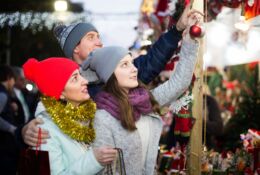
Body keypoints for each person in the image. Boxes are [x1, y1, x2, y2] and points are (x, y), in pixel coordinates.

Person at [21, 4, 202, 147]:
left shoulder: (115, 75)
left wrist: (177, 30)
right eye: (91, 37)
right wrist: (25, 130)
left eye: (98, 36)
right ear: (75, 48)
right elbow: (45, 117)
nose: (99, 42)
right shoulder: (64, 86)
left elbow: (150, 63)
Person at [86, 22, 199, 173]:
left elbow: (180, 83)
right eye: (124, 65)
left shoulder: (145, 100)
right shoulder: (102, 117)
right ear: (110, 75)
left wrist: (190, 42)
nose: (134, 69)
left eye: (132, 63)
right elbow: (104, 171)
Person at [22, 57, 117, 174]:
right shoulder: (44, 130)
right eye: (75, 79)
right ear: (60, 93)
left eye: (80, 75)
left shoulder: (89, 115)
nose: (85, 81)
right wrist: (93, 161)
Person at [0, 65, 23, 175]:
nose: (13, 83)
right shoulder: (3, 94)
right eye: (13, 79)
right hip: (4, 148)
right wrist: (12, 129)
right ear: (9, 78)